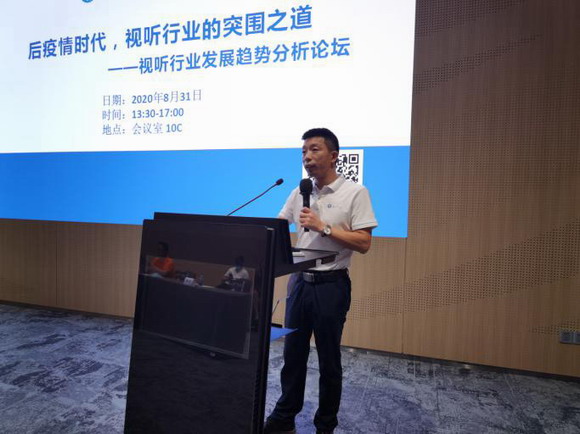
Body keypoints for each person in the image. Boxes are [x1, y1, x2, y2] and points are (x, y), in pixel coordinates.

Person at [265, 128, 378, 434]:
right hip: (299, 284)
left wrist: (323, 227)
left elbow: (364, 242)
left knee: (328, 360)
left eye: (314, 150)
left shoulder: (355, 193)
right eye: (303, 152)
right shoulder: (300, 191)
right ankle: (284, 417)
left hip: (331, 285)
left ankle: (325, 425)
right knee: (292, 355)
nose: (307, 157)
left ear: (333, 156)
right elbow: (279, 224)